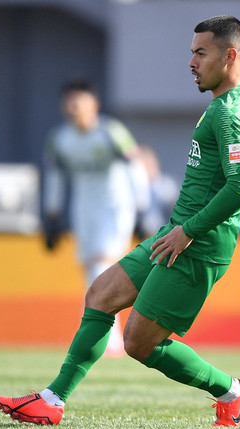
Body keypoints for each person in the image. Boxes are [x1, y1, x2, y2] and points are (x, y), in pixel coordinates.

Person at [0, 15, 240, 428]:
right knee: (101, 294)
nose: (191, 62)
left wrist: (189, 232)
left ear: (230, 56)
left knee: (138, 344)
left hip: (198, 242)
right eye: (191, 52)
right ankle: (52, 400)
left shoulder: (232, 113)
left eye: (200, 53)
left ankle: (233, 391)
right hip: (178, 232)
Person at [41, 80, 149, 356]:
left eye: (80, 101)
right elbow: (55, 176)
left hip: (115, 206)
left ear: (94, 105)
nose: (73, 107)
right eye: (69, 101)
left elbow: (135, 165)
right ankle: (101, 333)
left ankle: (105, 340)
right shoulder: (60, 138)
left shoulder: (110, 132)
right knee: (91, 271)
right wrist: (51, 215)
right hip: (83, 209)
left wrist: (142, 208)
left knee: (102, 266)